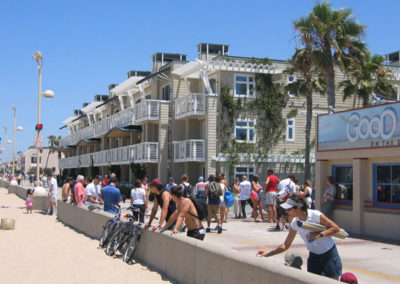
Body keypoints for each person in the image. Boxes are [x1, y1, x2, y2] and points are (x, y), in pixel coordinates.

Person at [257, 193, 343, 280]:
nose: (286, 211)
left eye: (289, 209)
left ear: (298, 207)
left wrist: (320, 235)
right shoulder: (295, 223)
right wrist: (267, 254)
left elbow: (336, 228)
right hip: (314, 257)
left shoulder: (315, 215)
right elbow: (286, 245)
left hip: (329, 254)